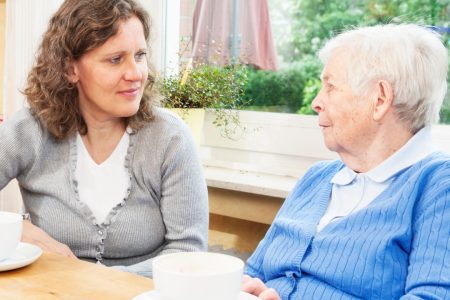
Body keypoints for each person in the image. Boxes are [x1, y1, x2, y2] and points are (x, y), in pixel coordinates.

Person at [0, 0, 208, 278]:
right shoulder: (31, 130)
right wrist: (18, 229)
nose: (136, 74)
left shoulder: (171, 140)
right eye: (115, 59)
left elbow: (189, 253)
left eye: (140, 55)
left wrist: (97, 283)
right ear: (70, 69)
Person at [241, 24, 450, 299]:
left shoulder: (438, 186)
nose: (316, 101)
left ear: (380, 100)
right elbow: (254, 272)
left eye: (330, 86)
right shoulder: (317, 177)